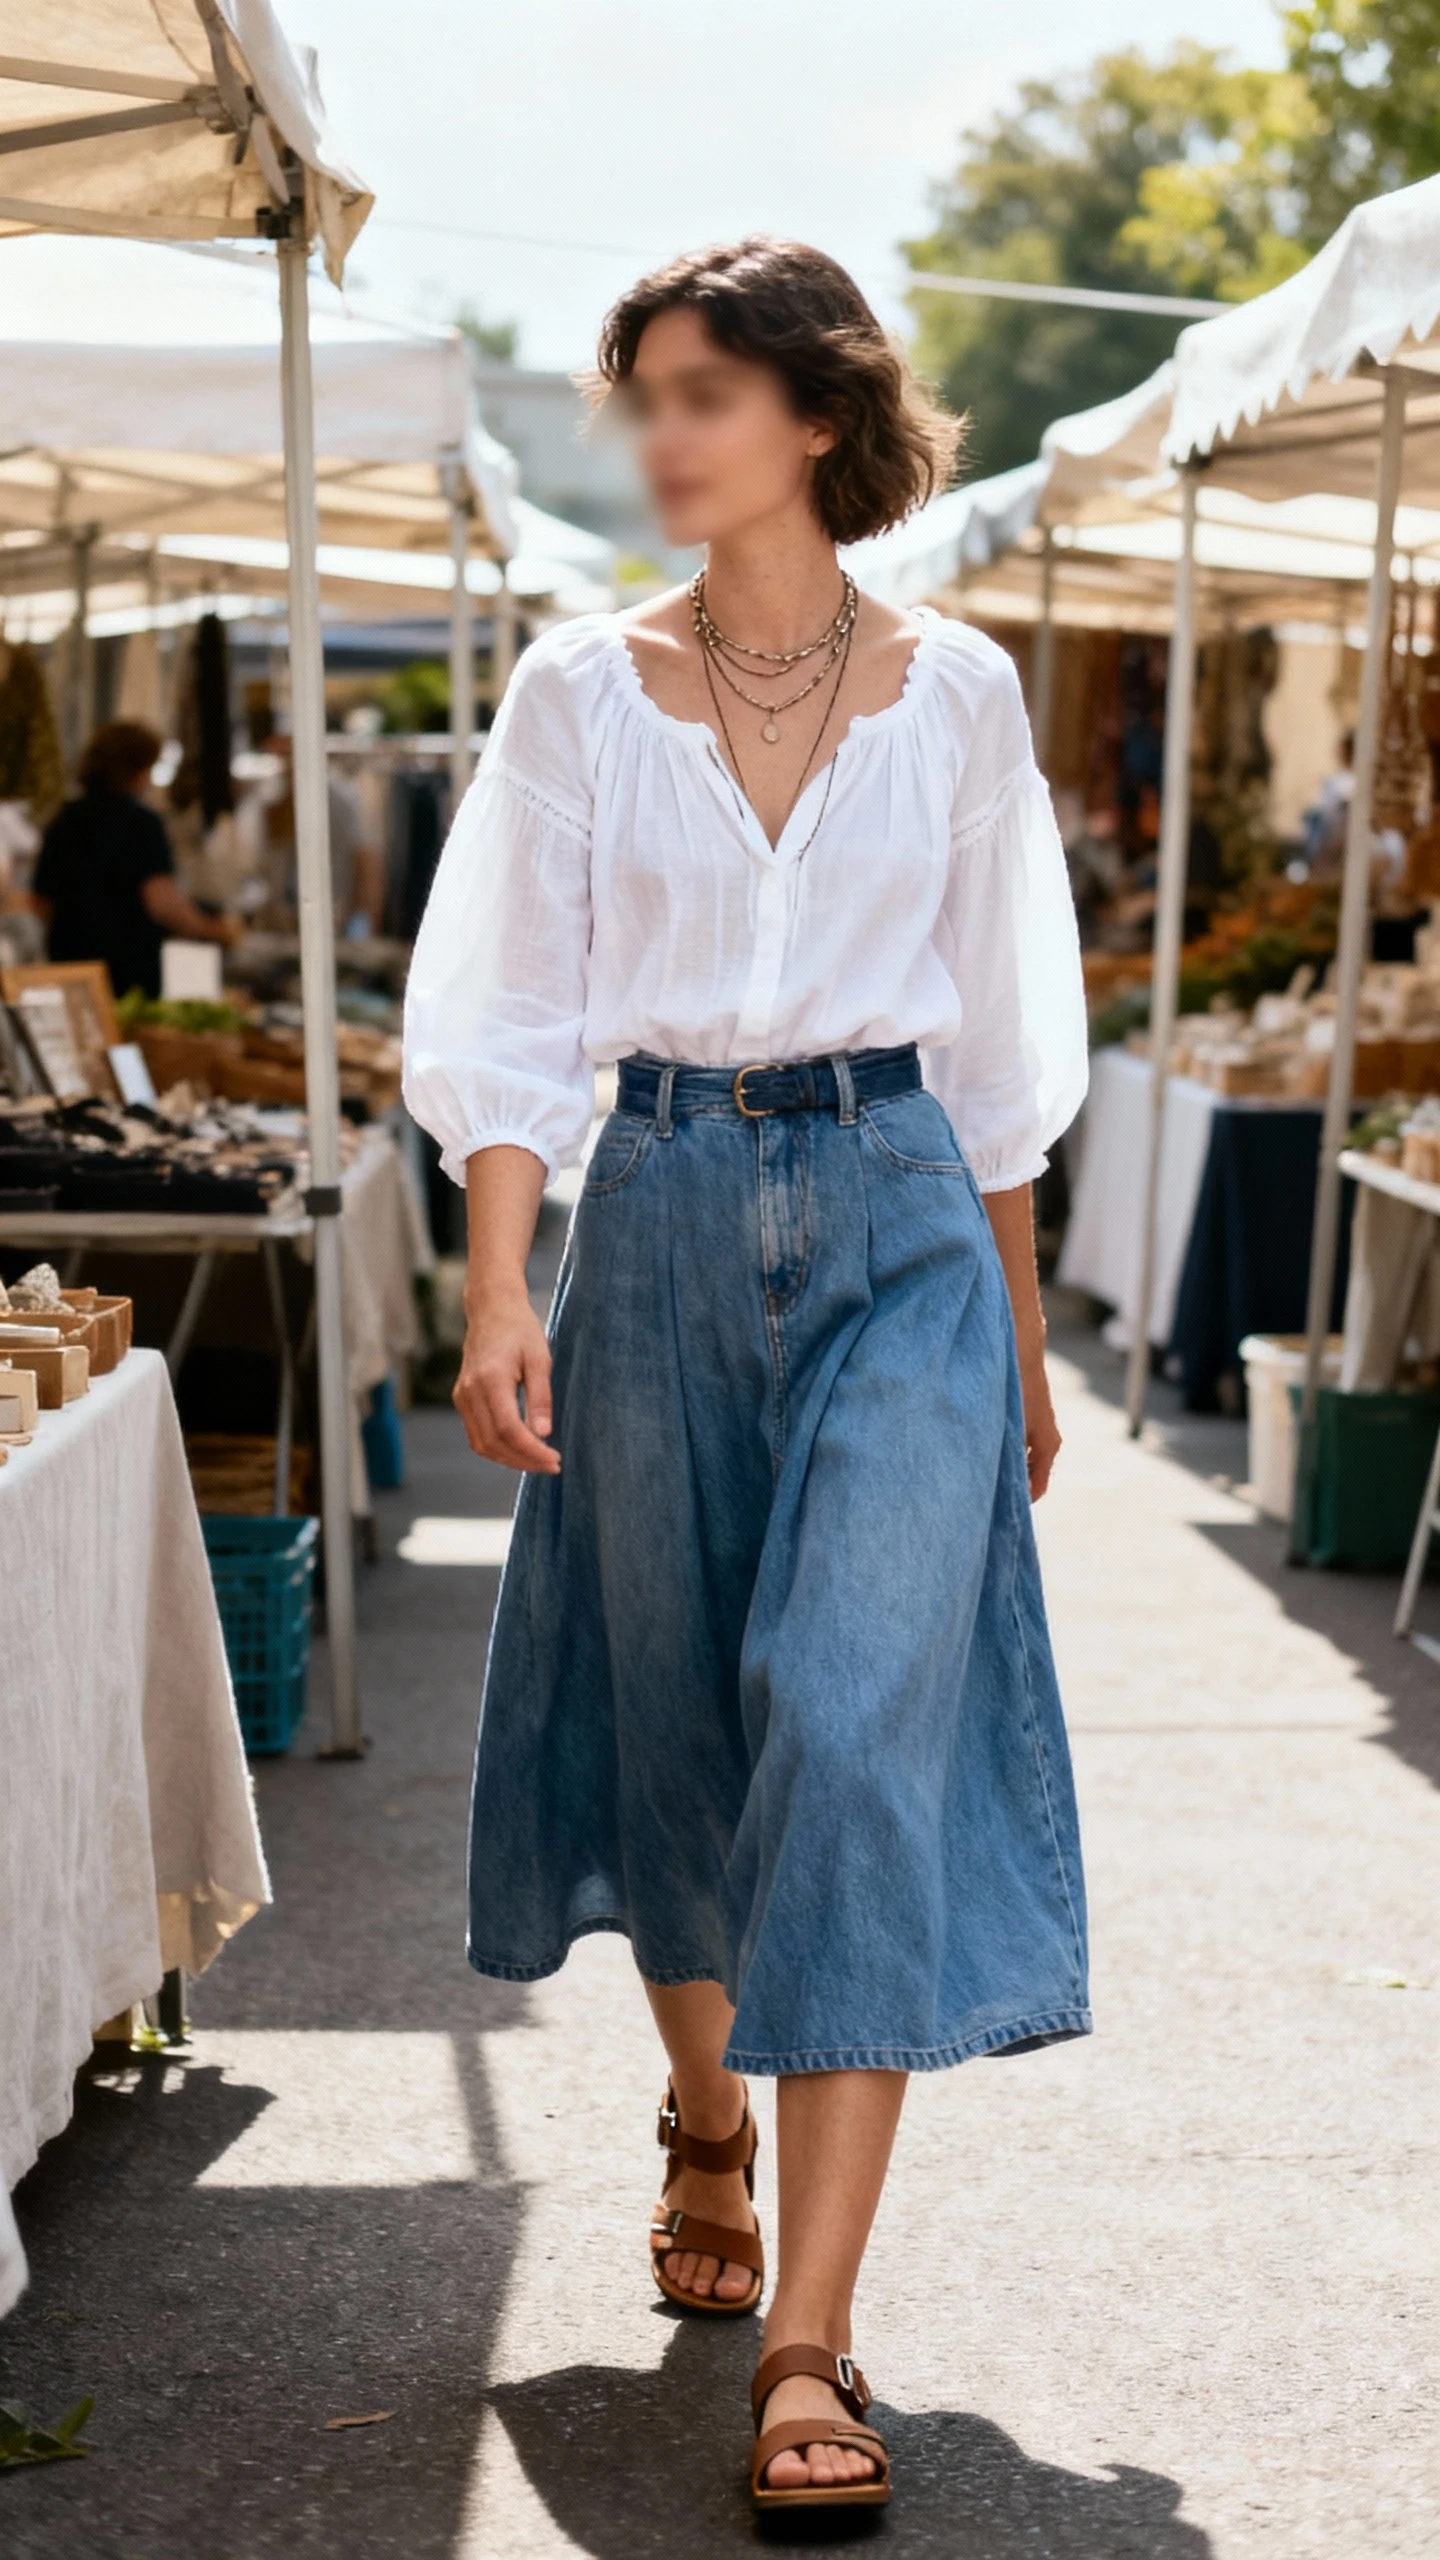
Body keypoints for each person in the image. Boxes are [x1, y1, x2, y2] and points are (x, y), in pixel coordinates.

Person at [403, 237, 1091, 2518]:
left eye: (700, 392)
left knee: (844, 1696)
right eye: (644, 397)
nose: (659, 436)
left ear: (812, 415)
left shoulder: (962, 694)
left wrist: (1005, 1319)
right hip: (661, 1216)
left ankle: (806, 2335)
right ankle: (702, 2112)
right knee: (686, 1717)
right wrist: (499, 1287)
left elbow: (992, 1050)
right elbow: (507, 1013)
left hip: (897, 1215)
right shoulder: (579, 693)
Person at [32, 720, 237, 1000]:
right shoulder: (141, 824)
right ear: (136, 770)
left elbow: (41, 902)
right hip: (129, 973)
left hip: (72, 969)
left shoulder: (65, 819)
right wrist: (211, 930)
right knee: (129, 1040)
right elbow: (160, 900)